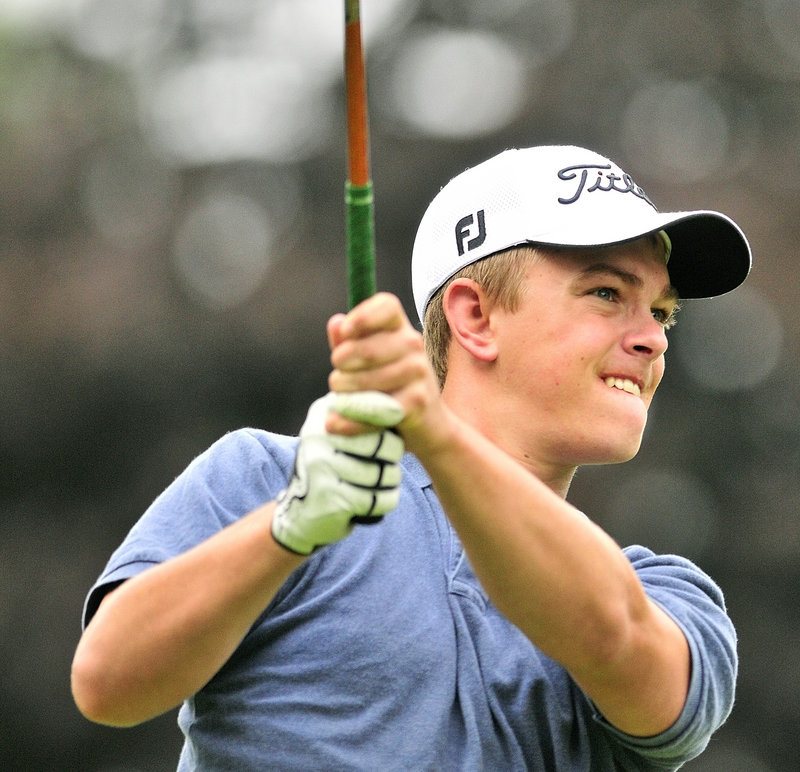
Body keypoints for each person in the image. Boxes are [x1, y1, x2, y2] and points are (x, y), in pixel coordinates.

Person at [71, 145, 751, 770]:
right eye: (607, 294)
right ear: (474, 317)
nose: (652, 340)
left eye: (662, 313)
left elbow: (616, 641)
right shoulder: (268, 478)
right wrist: (284, 532)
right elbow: (107, 682)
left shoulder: (665, 595)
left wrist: (431, 430)